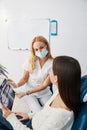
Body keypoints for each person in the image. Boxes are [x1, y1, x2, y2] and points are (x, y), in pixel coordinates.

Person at [0, 55, 81, 130]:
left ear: (56, 78)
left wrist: (10, 117)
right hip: (33, 120)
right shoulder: (61, 92)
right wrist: (29, 115)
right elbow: (45, 112)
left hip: (30, 127)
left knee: (2, 114)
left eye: (51, 70)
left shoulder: (61, 115)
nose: (49, 72)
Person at [8, 35, 53, 113]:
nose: (39, 51)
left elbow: (44, 85)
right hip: (29, 93)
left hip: (43, 92)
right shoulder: (31, 60)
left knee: (50, 111)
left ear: (46, 46)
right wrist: (16, 85)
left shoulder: (52, 63)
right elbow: (25, 78)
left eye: (41, 47)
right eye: (36, 49)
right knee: (37, 111)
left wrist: (26, 92)